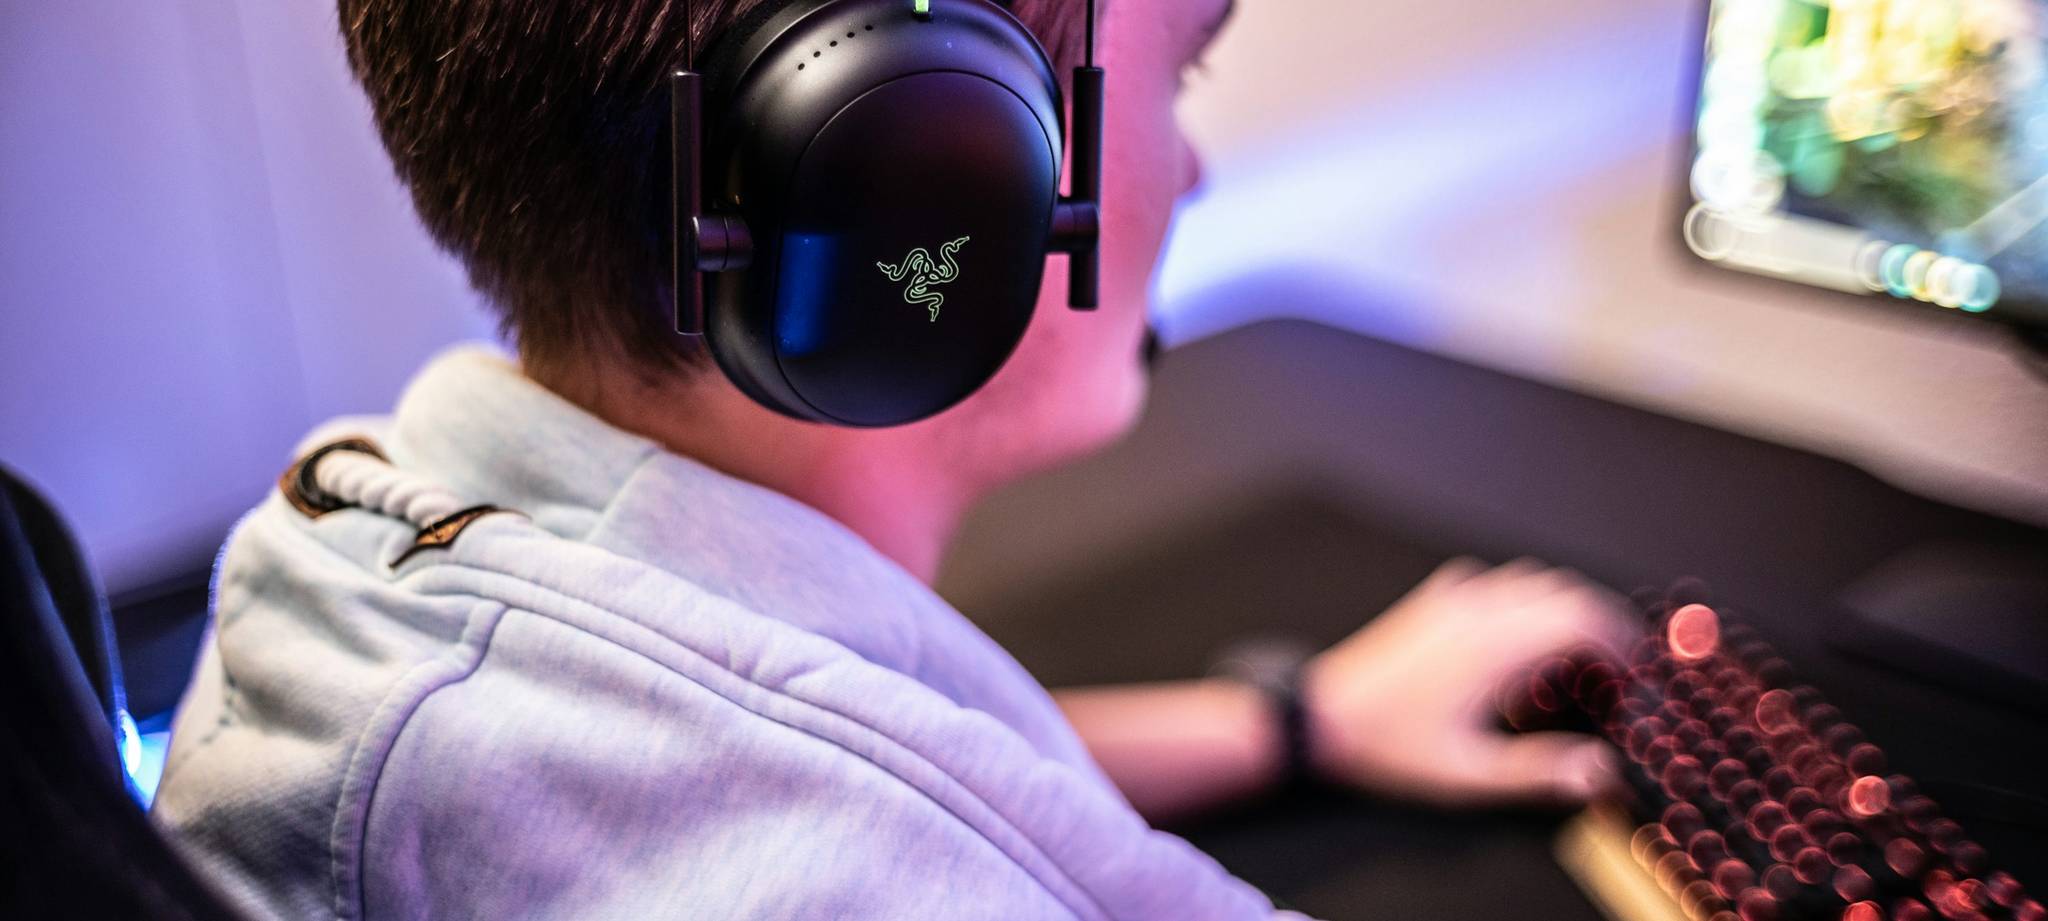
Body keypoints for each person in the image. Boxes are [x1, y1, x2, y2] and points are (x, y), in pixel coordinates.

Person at [153, 0, 1636, 917]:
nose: (1191, 168)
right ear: (923, 174)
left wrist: (1290, 723)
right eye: (1180, 75)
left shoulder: (352, 541)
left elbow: (808, 747)